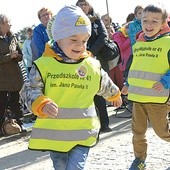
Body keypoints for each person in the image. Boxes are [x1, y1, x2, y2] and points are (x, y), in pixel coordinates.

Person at [20, 5, 122, 170]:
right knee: (60, 166)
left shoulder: (91, 64)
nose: (80, 45)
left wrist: (114, 94)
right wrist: (41, 103)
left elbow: (103, 82)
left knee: (75, 167)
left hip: (82, 132)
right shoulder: (44, 64)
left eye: (84, 41)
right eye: (73, 40)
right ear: (58, 38)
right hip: (56, 134)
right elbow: (28, 89)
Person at [121, 4, 170, 170]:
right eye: (145, 21)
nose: (148, 25)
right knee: (138, 132)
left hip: (158, 99)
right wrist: (127, 84)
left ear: (163, 23)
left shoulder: (168, 42)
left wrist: (165, 81)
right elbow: (135, 66)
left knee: (163, 132)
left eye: (154, 21)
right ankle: (139, 160)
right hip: (138, 97)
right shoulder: (139, 42)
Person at [76, 0, 113, 132]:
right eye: (79, 4)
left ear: (89, 6)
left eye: (85, 4)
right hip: (79, 61)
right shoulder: (73, 21)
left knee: (99, 92)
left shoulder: (96, 20)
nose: (82, 6)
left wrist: (91, 52)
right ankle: (88, 125)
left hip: (97, 59)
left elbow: (103, 37)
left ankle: (104, 123)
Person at [0, 14, 25, 134]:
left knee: (16, 102)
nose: (10, 25)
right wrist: (9, 57)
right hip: (2, 78)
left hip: (15, 76)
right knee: (1, 103)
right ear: (1, 24)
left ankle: (20, 124)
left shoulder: (13, 37)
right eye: (8, 22)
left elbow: (20, 54)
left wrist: (17, 56)